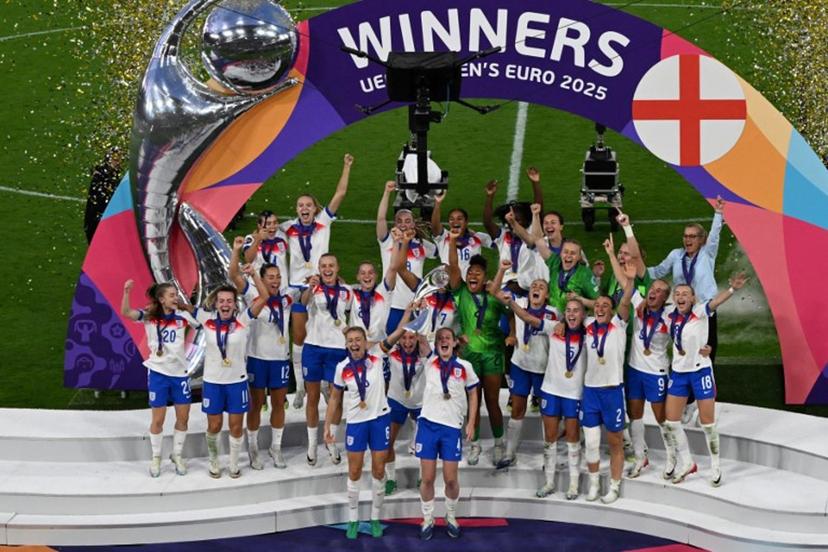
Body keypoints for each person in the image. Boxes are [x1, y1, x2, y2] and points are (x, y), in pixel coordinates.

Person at [662, 273, 749, 487]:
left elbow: (716, 302)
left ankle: (715, 465)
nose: (681, 297)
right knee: (672, 422)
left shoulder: (700, 312)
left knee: (708, 424)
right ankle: (687, 462)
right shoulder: (669, 315)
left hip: (701, 373)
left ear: (693, 299)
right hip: (679, 373)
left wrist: (732, 289)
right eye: (677, 294)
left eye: (685, 294)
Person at [281, 153, 353, 410]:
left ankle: (322, 381)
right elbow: (265, 231)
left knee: (324, 332)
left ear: (315, 208)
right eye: (300, 205)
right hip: (301, 288)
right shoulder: (288, 227)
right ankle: (300, 386)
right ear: (297, 210)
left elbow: (340, 194)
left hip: (324, 283)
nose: (304, 209)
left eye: (308, 205)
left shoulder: (323, 223)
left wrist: (346, 166)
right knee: (300, 337)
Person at [603, 231, 673, 478]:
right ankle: (641, 457)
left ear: (666, 297)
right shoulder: (640, 304)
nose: (653, 292)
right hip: (635, 369)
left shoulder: (669, 316)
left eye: (659, 290)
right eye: (652, 288)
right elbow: (625, 283)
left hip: (656, 372)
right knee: (635, 415)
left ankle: (673, 455)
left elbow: (687, 332)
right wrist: (612, 255)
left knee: (662, 417)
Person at [506, 297, 587, 500]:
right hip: (551, 390)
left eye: (576, 310)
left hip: (573, 393)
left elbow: (607, 314)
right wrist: (512, 304)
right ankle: (549, 482)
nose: (571, 314)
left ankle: (574, 485)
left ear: (583, 314)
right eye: (568, 310)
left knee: (572, 439)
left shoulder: (590, 334)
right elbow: (526, 317)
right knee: (549, 439)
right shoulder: (554, 328)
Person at [230, 237, 300, 470]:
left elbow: (308, 292)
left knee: (279, 403)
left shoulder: (287, 297)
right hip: (258, 359)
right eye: (271, 277)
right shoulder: (253, 294)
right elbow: (233, 276)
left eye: (278, 277)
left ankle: (276, 447)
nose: (276, 280)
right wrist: (237, 252)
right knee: (257, 404)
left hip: (280, 359)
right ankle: (252, 447)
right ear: (262, 278)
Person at [121, 280, 200, 477]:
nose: (176, 298)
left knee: (183, 417)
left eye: (176, 295)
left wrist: (184, 306)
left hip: (180, 374)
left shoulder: (183, 317)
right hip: (158, 373)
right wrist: (126, 292)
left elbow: (202, 319)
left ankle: (177, 455)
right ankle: (156, 457)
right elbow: (127, 312)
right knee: (158, 419)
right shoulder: (149, 317)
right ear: (161, 299)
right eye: (172, 295)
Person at [324, 326, 396, 539]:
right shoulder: (342, 367)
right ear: (346, 344)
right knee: (354, 471)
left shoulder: (376, 355)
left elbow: (395, 335)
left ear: (366, 342)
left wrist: (409, 313)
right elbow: (335, 398)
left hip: (380, 419)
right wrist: (328, 426)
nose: (354, 344)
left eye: (358, 340)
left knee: (379, 470)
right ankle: (353, 519)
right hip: (356, 423)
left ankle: (375, 518)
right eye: (350, 341)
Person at [195, 275, 267, 478]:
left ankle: (234, 463)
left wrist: (253, 275)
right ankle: (214, 461)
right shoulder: (206, 319)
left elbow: (263, 297)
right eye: (221, 301)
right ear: (216, 304)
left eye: (229, 301)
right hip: (213, 382)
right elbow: (183, 307)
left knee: (236, 426)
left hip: (237, 383)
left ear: (235, 305)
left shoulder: (244, 320)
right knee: (214, 425)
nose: (225, 304)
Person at [447, 236, 510, 465]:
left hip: (492, 354)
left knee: (492, 401)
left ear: (485, 278)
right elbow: (453, 266)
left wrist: (511, 334)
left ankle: (498, 444)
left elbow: (510, 311)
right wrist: (452, 242)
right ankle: (473, 445)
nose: (473, 275)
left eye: (478, 273)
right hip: (469, 356)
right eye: (470, 272)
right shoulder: (461, 292)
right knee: (471, 401)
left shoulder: (493, 296)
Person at [417, 327, 479, 541]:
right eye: (440, 338)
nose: (444, 341)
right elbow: (420, 337)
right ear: (436, 344)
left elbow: (473, 393)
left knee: (451, 479)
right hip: (428, 425)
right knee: (427, 477)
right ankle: (427, 518)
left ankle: (451, 516)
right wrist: (418, 309)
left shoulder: (465, 367)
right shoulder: (430, 360)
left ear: (454, 343)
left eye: (448, 338)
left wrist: (471, 422)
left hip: (452, 428)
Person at [580, 261, 635, 504]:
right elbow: (570, 315)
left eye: (605, 306)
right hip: (590, 392)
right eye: (598, 305)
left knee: (615, 442)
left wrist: (630, 281)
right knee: (591, 444)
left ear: (612, 312)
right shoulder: (587, 325)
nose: (601, 308)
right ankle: (593, 485)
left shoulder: (619, 325)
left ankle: (614, 486)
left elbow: (625, 302)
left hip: (613, 392)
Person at [493, 275, 558, 469]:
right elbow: (495, 292)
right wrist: (501, 271)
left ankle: (549, 457)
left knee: (547, 414)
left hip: (543, 369)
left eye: (541, 287)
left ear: (546, 296)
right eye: (534, 286)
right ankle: (509, 453)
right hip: (520, 365)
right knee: (518, 409)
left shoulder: (553, 314)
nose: (536, 288)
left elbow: (528, 319)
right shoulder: (520, 302)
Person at [648, 196, 725, 359]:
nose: (687, 239)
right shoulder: (676, 255)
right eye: (685, 236)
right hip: (683, 310)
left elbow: (714, 235)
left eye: (692, 236)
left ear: (701, 240)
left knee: (707, 352)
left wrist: (718, 212)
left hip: (705, 310)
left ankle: (708, 382)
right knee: (684, 350)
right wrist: (635, 270)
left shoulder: (707, 253)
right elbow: (658, 272)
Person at [301, 253, 353, 466]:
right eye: (323, 266)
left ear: (337, 267)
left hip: (337, 349)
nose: (327, 269)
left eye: (331, 265)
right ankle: (312, 443)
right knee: (312, 397)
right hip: (313, 347)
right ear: (319, 269)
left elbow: (355, 313)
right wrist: (309, 288)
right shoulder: (313, 289)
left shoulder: (346, 292)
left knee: (336, 397)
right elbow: (302, 302)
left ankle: (331, 439)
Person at [376, 180, 437, 335]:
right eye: (399, 221)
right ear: (394, 224)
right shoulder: (388, 241)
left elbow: (442, 247)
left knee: (413, 346)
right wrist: (386, 192)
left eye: (407, 221)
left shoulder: (422, 245)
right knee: (390, 343)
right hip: (391, 305)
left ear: (413, 224)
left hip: (414, 304)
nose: (403, 224)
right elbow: (381, 219)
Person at [384, 307, 430, 495]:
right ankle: (391, 479)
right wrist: (407, 313)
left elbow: (424, 340)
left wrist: (422, 316)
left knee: (422, 444)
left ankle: (422, 477)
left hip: (420, 404)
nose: (407, 341)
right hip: (396, 401)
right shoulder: (392, 351)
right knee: (388, 442)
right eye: (404, 338)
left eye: (412, 338)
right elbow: (398, 331)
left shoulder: (425, 353)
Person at [482, 168, 544, 282]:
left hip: (529, 285)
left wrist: (535, 183)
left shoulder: (532, 232)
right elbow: (487, 222)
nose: (515, 222)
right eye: (512, 219)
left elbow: (538, 209)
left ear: (527, 220)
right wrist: (490, 196)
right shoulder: (503, 236)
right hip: (506, 285)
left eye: (518, 220)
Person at [431, 191, 493, 278]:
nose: (455, 222)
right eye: (451, 219)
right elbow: (435, 226)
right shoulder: (443, 237)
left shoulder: (477, 238)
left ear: (466, 222)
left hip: (470, 284)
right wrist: (437, 204)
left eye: (459, 219)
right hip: (449, 285)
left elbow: (497, 242)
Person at [535, 237, 599, 312]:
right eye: (565, 252)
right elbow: (538, 241)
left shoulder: (585, 274)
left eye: (573, 253)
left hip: (572, 319)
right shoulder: (555, 262)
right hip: (552, 316)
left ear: (579, 257)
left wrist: (580, 299)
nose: (568, 255)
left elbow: (599, 304)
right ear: (561, 253)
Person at [243, 210, 289, 285]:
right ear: (259, 225)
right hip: (259, 286)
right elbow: (248, 259)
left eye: (275, 222)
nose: (273, 226)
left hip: (281, 286)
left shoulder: (282, 237)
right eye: (268, 224)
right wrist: (258, 239)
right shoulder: (251, 238)